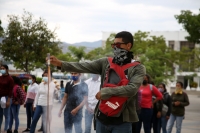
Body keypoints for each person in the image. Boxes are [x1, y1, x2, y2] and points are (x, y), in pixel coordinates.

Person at [49, 31, 146, 133]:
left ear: (128, 45)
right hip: (102, 119)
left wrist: (106, 92)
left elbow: (132, 89)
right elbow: (83, 66)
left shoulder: (138, 68)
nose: (115, 47)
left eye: (118, 44)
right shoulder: (106, 62)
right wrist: (61, 64)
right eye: (113, 45)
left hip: (122, 123)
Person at [0, 65, 14, 133]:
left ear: (7, 70)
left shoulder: (10, 79)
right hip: (0, 97)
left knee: (6, 114)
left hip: (6, 97)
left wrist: (8, 100)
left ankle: (6, 129)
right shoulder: (0, 77)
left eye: (3, 68)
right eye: (1, 68)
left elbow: (10, 90)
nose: (2, 69)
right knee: (0, 114)